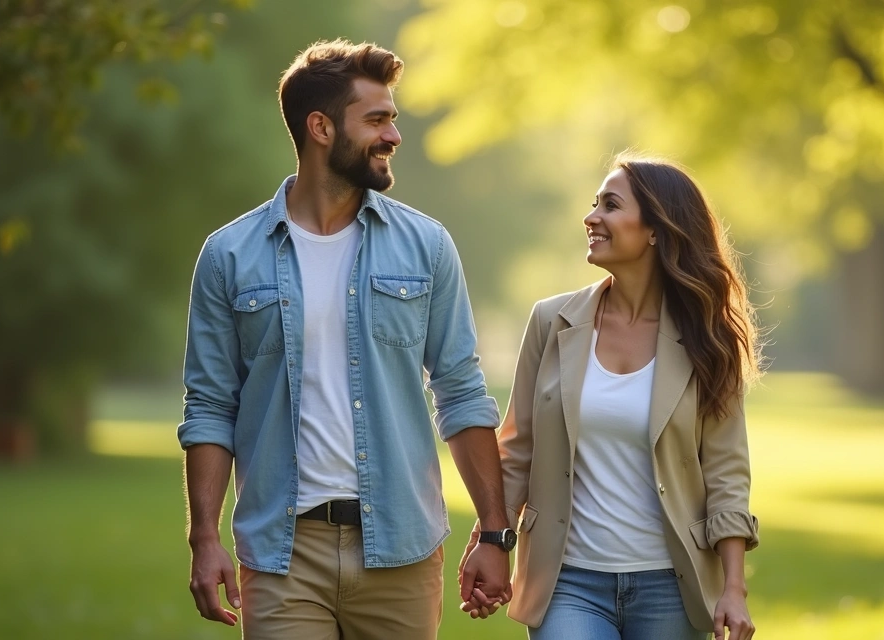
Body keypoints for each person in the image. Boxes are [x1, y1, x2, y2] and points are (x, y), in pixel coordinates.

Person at [178, 39, 513, 640]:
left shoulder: (426, 246)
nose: (394, 136)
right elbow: (209, 406)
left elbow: (461, 391)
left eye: (393, 119)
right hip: (283, 554)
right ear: (321, 127)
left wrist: (494, 531)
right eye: (377, 120)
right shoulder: (229, 254)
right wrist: (204, 538)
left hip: (401, 549)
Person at [464, 153, 761, 639]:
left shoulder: (709, 339)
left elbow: (726, 472)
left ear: (656, 230)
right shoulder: (551, 322)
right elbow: (518, 449)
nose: (591, 217)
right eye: (594, 203)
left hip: (671, 587)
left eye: (610, 205)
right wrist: (492, 540)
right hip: (567, 582)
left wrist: (733, 587)